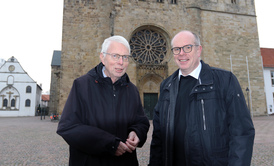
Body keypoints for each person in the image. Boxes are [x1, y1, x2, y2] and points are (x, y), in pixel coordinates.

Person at [149, 30, 255, 166]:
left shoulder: (224, 81)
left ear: (199, 50)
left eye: (187, 47)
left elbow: (242, 133)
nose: (182, 53)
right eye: (176, 49)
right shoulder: (166, 85)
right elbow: (159, 136)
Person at [57, 35, 150, 166]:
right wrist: (109, 144)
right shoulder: (82, 85)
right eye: (115, 56)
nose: (121, 62)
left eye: (125, 57)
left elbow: (141, 121)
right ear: (103, 57)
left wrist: (136, 132)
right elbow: (67, 127)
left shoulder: (132, 90)